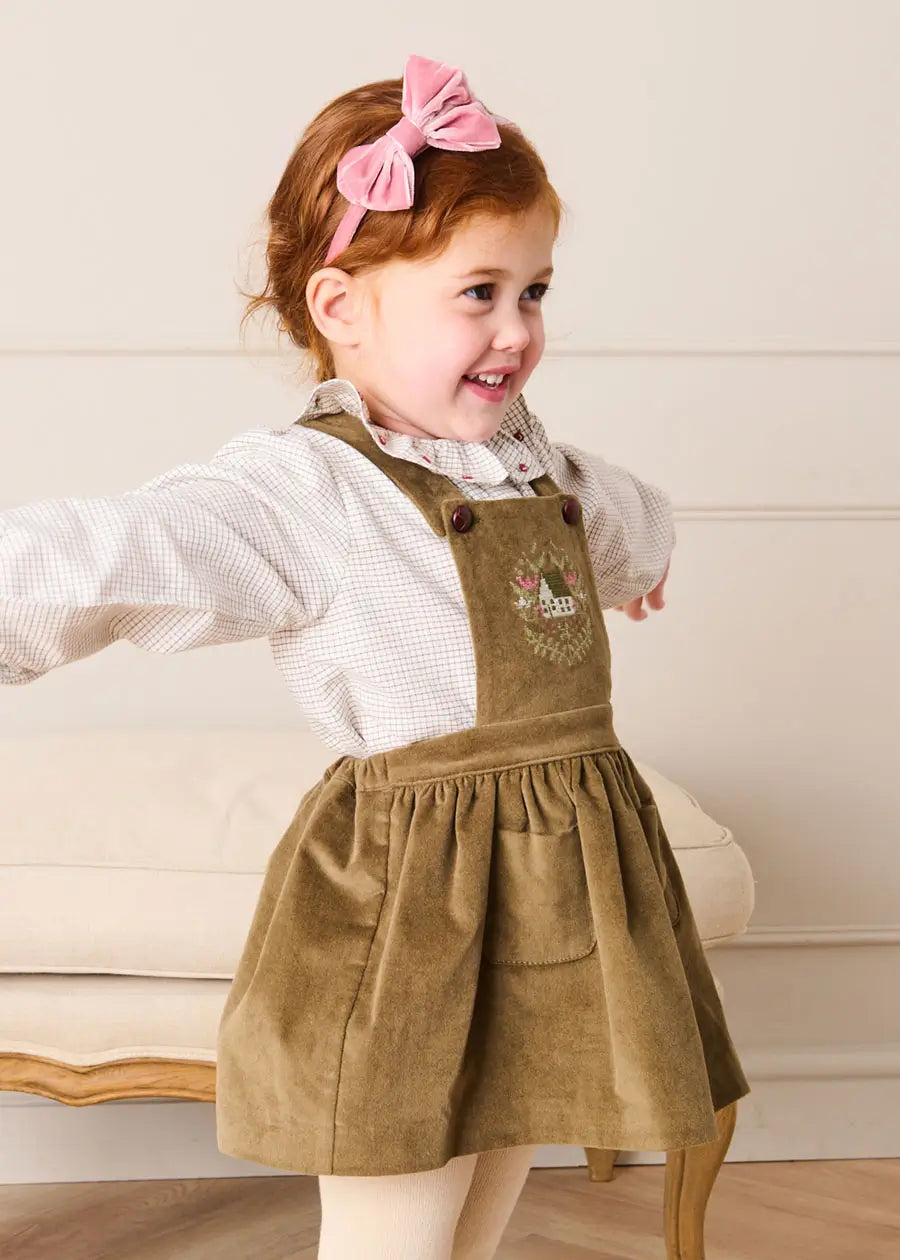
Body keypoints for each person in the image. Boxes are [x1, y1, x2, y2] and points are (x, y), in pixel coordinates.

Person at [0, 53, 749, 1260]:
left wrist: (639, 556)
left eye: (535, 290)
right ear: (343, 307)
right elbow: (120, 553)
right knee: (399, 1202)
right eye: (478, 293)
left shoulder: (520, 456)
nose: (518, 331)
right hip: (419, 902)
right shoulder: (305, 490)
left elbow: (613, 514)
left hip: (559, 875)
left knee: (500, 1159)